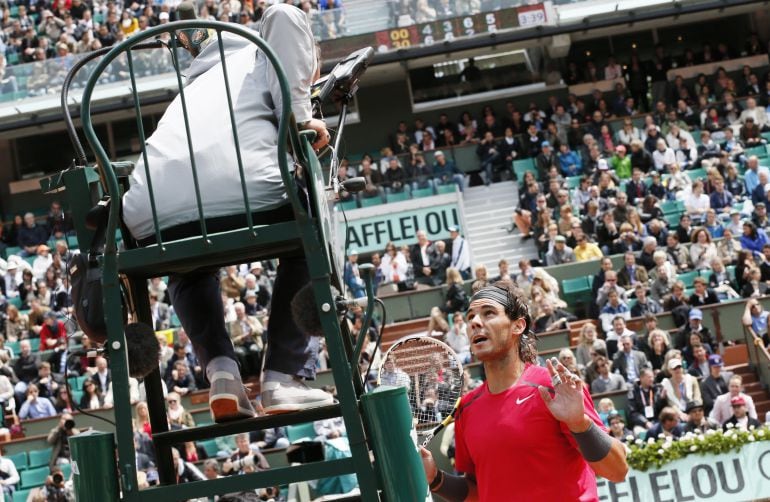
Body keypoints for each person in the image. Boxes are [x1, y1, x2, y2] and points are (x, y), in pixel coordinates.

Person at [119, 4, 332, 421]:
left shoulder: (200, 83)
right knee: (314, 227)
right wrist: (303, 119)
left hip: (149, 209)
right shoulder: (262, 55)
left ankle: (222, 376)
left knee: (187, 261)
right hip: (242, 189)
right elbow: (283, 14)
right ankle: (283, 376)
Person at [420, 282, 627, 501]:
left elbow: (617, 470)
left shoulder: (554, 387)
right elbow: (479, 491)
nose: (475, 323)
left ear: (518, 326)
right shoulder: (467, 408)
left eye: (488, 313)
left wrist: (579, 423)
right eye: (470, 317)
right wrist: (436, 479)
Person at [626, 368, 666, 434]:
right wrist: (645, 422)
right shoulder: (633, 392)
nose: (652, 379)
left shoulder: (656, 389)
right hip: (641, 423)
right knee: (638, 432)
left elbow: (661, 408)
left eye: (653, 377)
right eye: (649, 377)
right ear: (641, 378)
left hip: (657, 420)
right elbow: (632, 413)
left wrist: (662, 399)